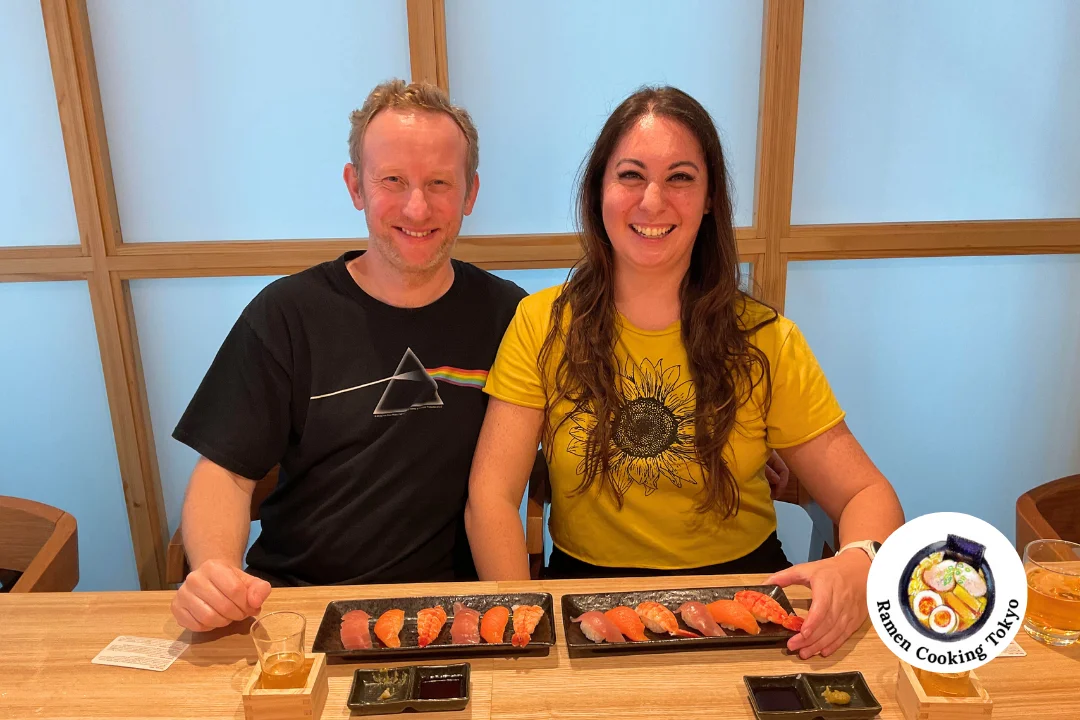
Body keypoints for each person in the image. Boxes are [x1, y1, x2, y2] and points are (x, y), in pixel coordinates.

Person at [464, 86, 905, 659]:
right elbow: (491, 497)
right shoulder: (543, 323)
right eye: (630, 175)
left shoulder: (766, 339)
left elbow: (869, 492)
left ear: (710, 199)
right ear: (598, 190)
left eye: (680, 177)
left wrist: (859, 562)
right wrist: (522, 627)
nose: (653, 201)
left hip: (748, 600)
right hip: (587, 600)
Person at [169, 80, 526, 632]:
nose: (417, 206)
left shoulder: (511, 317)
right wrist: (215, 568)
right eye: (392, 181)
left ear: (470, 193)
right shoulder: (287, 314)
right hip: (298, 607)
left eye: (439, 183)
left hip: (447, 615)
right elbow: (226, 474)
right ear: (355, 185)